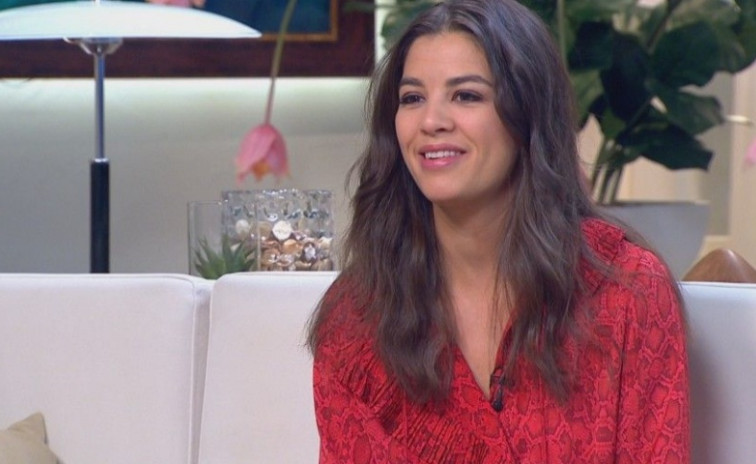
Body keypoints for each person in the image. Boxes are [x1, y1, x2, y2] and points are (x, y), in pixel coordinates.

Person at [307, 0, 690, 462]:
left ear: (527, 114)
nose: (431, 122)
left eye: (466, 96)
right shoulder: (358, 314)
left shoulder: (625, 291)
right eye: (412, 98)